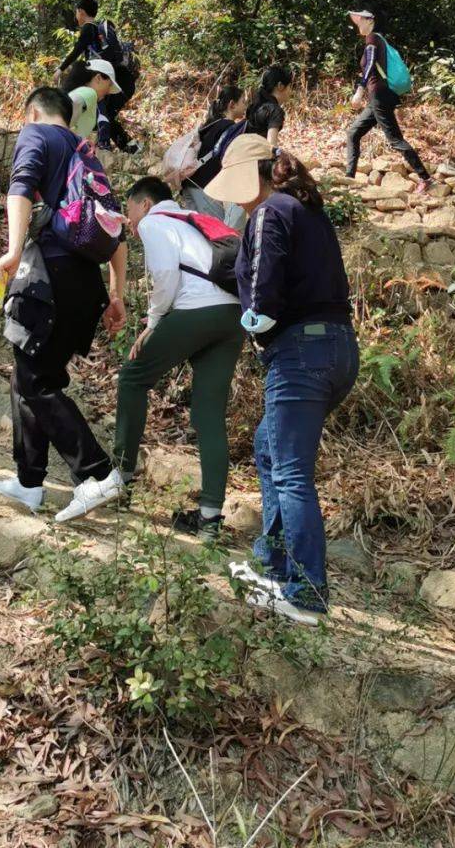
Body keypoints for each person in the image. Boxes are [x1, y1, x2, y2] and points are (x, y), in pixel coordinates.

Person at [206, 135, 359, 627]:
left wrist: (254, 322)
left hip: (300, 351)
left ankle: (306, 592)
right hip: (336, 348)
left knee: (291, 469)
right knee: (269, 449)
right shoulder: (306, 210)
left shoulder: (270, 212)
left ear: (255, 174)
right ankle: (273, 565)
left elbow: (265, 290)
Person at [0, 87, 127, 523]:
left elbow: (20, 188)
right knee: (27, 373)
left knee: (37, 380)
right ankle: (30, 482)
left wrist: (11, 252)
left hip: (53, 275)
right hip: (85, 284)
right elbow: (116, 227)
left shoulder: (36, 135)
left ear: (33, 112)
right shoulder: (87, 155)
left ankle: (97, 473)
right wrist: (118, 293)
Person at [115, 177, 245, 543]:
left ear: (143, 203)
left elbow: (166, 275)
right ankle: (209, 519)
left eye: (129, 211)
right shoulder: (192, 218)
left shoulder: (156, 221)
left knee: (132, 378)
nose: (130, 221)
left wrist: (153, 322)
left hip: (195, 311)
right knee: (208, 414)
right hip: (232, 316)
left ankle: (120, 479)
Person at [344, 10, 431, 193]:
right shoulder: (379, 40)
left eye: (360, 21)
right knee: (353, 132)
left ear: (370, 21)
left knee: (395, 140)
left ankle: (425, 178)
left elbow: (369, 65)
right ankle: (349, 178)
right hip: (381, 96)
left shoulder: (372, 39)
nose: (357, 25)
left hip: (380, 95)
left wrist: (359, 91)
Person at [57, 0, 139, 152]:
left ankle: (104, 145)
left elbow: (77, 50)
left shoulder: (88, 28)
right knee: (104, 113)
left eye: (76, 12)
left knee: (100, 110)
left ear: (80, 11)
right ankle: (132, 149)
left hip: (106, 80)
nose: (76, 16)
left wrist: (61, 68)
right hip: (119, 80)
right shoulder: (98, 30)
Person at [178, 84, 247, 229]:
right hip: (203, 188)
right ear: (232, 105)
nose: (246, 106)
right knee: (218, 236)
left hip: (190, 184)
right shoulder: (230, 128)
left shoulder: (212, 123)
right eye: (243, 102)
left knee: (199, 234)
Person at [67, 58, 123, 143]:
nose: (108, 91)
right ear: (98, 78)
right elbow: (63, 113)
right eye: (109, 85)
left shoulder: (86, 97)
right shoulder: (89, 93)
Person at [245, 66, 293, 150]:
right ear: (280, 86)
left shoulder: (255, 105)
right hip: (257, 158)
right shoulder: (274, 111)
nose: (290, 91)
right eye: (289, 86)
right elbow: (271, 146)